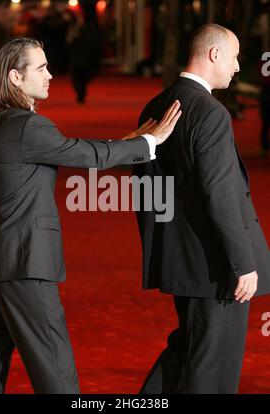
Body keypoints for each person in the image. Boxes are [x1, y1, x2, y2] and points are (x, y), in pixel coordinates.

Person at [0, 37, 181, 394]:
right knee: (56, 371)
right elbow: (84, 154)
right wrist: (148, 144)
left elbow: (76, 152)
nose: (50, 75)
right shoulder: (25, 126)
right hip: (26, 264)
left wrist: (129, 143)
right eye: (41, 68)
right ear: (15, 78)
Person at [133, 23, 270, 394]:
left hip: (182, 261)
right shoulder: (210, 113)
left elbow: (145, 188)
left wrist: (163, 246)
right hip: (215, 266)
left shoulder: (156, 105)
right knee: (212, 366)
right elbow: (221, 194)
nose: (239, 67)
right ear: (214, 54)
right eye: (236, 56)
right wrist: (242, 263)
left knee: (189, 349)